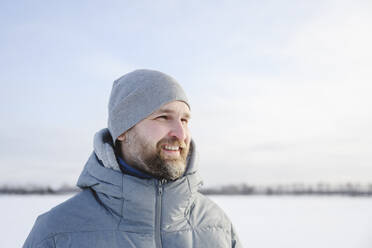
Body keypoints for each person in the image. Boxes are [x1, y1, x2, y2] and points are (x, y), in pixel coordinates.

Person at [23, 69, 242, 247]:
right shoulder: (56, 233)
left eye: (184, 120)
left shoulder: (218, 227)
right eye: (163, 117)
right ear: (122, 130)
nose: (181, 134)